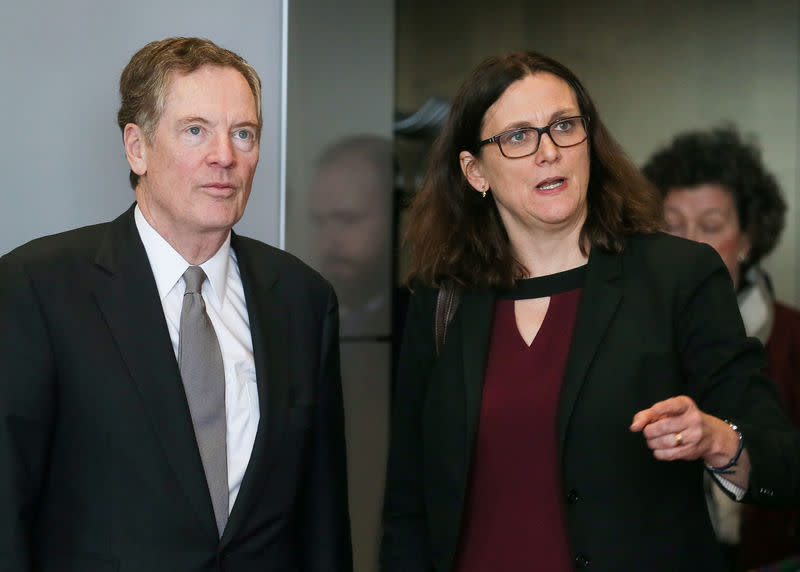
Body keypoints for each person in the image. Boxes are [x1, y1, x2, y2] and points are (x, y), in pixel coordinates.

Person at [379, 51, 800, 572]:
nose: (548, 152)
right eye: (517, 137)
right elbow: (408, 502)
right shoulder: (441, 298)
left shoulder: (678, 276)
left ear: (590, 144)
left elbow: (783, 461)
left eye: (563, 126)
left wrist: (718, 440)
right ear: (475, 171)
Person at [0, 37, 352, 571]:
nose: (225, 156)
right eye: (195, 130)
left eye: (244, 133)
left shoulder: (303, 299)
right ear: (136, 147)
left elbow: (322, 515)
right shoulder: (38, 286)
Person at [643, 126, 800, 572]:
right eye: (671, 226)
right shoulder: (635, 334)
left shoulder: (792, 337)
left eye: (710, 226)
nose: (689, 243)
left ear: (748, 238)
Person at [309, 135, 395, 338]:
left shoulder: (426, 325)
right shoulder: (323, 325)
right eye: (319, 223)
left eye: (348, 220)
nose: (327, 243)